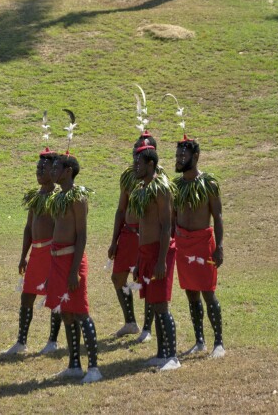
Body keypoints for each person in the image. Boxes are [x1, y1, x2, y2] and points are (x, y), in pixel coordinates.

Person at [44, 152, 103, 383]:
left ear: (68, 171)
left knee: (80, 312)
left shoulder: (78, 197)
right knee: (66, 312)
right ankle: (74, 365)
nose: (52, 170)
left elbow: (81, 235)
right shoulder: (59, 197)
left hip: (72, 261)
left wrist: (74, 270)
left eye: (57, 166)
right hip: (58, 260)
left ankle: (94, 368)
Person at [2, 149, 63, 356]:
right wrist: (23, 256)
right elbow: (29, 228)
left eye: (43, 168)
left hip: (52, 252)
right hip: (35, 253)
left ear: (53, 170)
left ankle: (53, 340)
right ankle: (21, 342)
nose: (38, 171)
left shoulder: (58, 197)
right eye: (37, 168)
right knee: (27, 296)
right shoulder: (36, 196)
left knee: (54, 296)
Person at [174, 137, 226, 358]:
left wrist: (220, 246)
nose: (178, 159)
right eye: (177, 156)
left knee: (208, 292)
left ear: (195, 157)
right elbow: (172, 217)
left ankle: (219, 342)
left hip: (203, 243)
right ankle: (199, 341)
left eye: (182, 156)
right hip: (182, 244)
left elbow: (218, 216)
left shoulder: (209, 184)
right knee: (191, 293)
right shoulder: (176, 186)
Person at [132, 144, 180, 371]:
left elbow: (166, 226)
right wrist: (141, 261)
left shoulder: (161, 188)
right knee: (153, 302)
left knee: (161, 305)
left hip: (161, 252)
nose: (135, 166)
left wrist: (161, 260)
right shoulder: (143, 188)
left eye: (138, 163)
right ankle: (162, 353)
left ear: (150, 164)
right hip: (147, 252)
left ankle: (172, 357)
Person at [108, 134, 152, 341]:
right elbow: (120, 209)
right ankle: (131, 322)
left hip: (147, 236)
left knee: (148, 282)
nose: (136, 158)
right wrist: (114, 240)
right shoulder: (127, 177)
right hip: (127, 235)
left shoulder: (158, 180)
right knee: (118, 278)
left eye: (140, 154)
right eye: (135, 153)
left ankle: (148, 328)